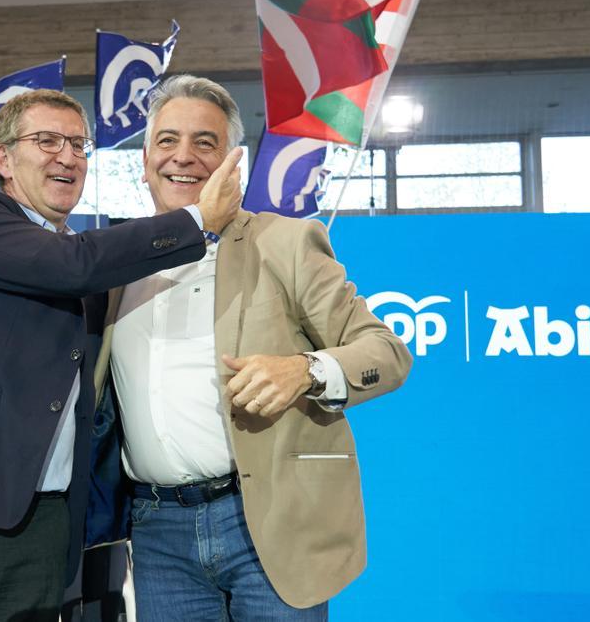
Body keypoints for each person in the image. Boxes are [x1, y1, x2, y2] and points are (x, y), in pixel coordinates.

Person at [0, 88, 242, 621]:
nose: (68, 156)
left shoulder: (92, 266)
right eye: (48, 140)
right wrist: (197, 221)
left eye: (79, 145)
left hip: (41, 530)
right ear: (3, 159)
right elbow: (68, 265)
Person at [90, 75, 414, 619]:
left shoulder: (283, 242)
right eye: (167, 141)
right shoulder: (114, 264)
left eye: (204, 142)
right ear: (145, 161)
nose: (183, 157)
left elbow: (386, 351)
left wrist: (304, 370)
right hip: (155, 531)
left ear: (231, 164)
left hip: (266, 521)